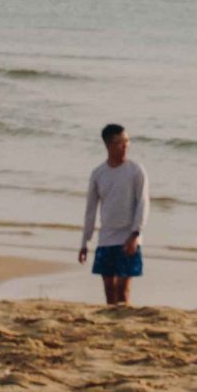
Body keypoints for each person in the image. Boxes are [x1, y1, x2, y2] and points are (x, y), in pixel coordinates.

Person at [78, 122, 148, 307]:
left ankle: (124, 326)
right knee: (109, 289)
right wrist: (85, 242)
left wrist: (135, 234)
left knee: (123, 291)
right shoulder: (98, 174)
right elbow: (90, 210)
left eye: (127, 142)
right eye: (119, 143)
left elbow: (143, 203)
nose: (125, 146)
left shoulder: (136, 170)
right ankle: (112, 327)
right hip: (107, 238)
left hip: (128, 237)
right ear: (108, 146)